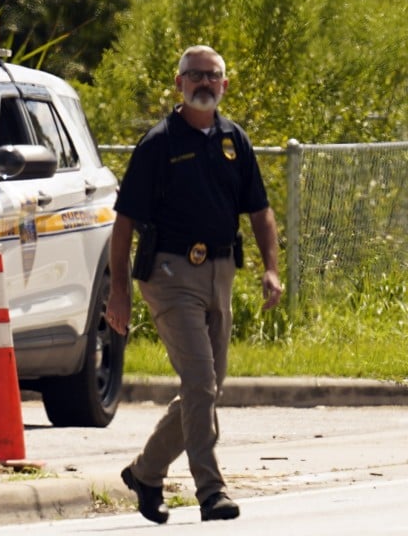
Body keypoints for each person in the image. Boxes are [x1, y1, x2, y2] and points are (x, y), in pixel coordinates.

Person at [106, 45, 284, 523]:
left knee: (204, 389)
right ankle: (211, 489)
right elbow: (123, 224)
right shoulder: (158, 143)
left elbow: (260, 211)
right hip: (168, 275)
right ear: (179, 82)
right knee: (202, 382)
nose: (204, 83)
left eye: (213, 76)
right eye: (195, 75)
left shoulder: (234, 139)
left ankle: (145, 473)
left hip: (220, 272)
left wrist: (272, 267)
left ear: (224, 85)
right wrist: (117, 292)